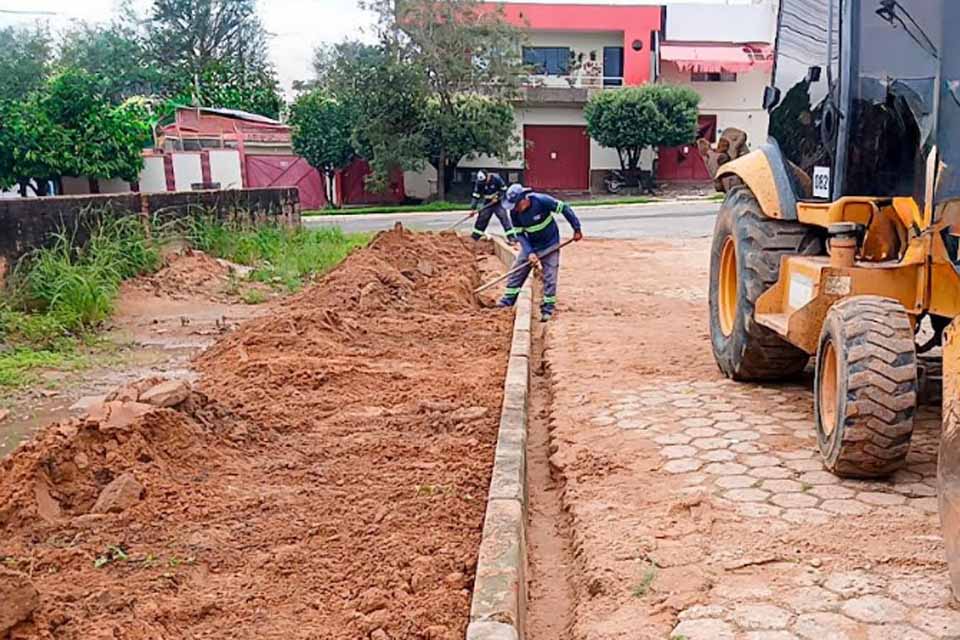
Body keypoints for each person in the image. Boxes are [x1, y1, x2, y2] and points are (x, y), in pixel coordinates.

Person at [498, 183, 583, 322]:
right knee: (517, 271)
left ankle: (547, 308)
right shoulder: (514, 212)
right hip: (531, 244)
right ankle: (507, 301)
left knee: (550, 275)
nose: (515, 209)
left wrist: (577, 229)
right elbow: (520, 234)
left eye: (517, 205)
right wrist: (530, 252)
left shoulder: (542, 201)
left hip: (550, 244)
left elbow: (565, 208)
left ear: (524, 199)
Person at [470, 171, 517, 244]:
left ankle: (511, 237)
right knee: (482, 217)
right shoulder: (479, 183)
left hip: (498, 203)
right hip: (488, 203)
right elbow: (476, 195)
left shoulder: (496, 178)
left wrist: (498, 197)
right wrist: (473, 208)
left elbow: (504, 190)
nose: (484, 183)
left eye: (485, 181)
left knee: (503, 217)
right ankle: (475, 237)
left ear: (488, 176)